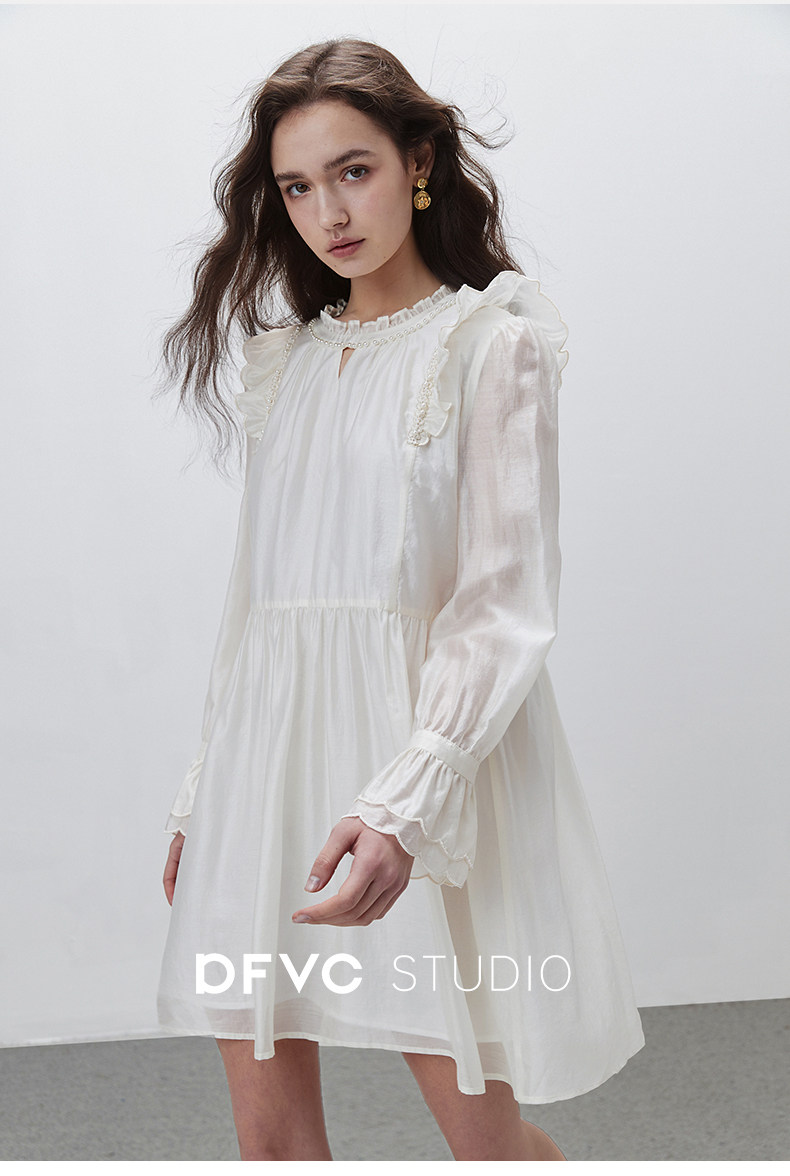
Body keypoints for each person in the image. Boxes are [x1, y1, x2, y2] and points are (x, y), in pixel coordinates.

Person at [155, 36, 645, 1162]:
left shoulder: (491, 347)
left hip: (414, 777)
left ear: (417, 162)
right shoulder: (284, 362)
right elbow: (253, 602)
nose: (328, 212)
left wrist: (406, 804)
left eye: (353, 170)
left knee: (486, 1141)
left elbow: (502, 604)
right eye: (296, 187)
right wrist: (203, 790)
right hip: (264, 771)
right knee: (272, 1144)